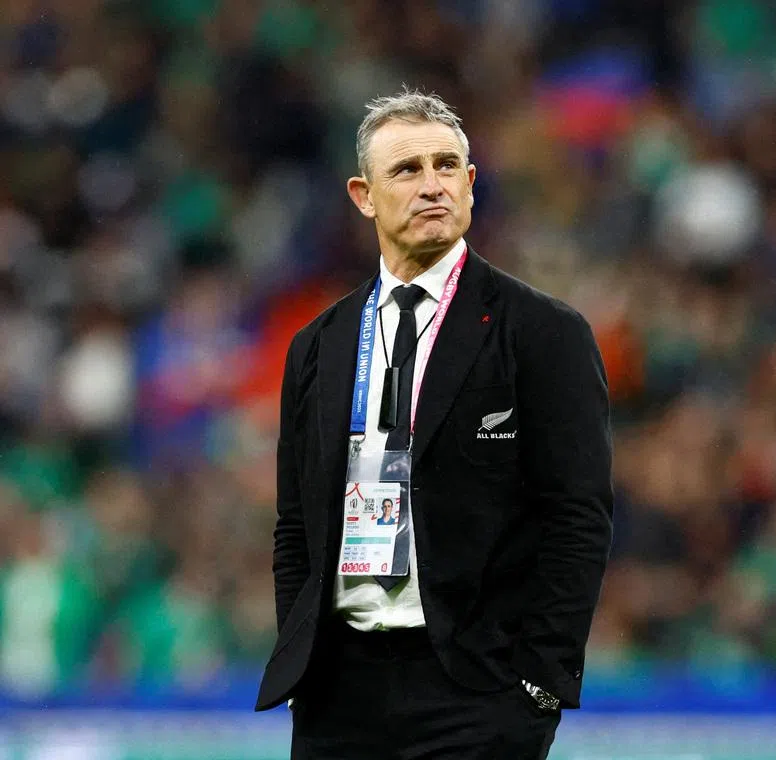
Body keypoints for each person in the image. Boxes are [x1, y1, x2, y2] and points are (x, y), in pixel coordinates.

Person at [255, 89, 613, 760]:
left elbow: (579, 516)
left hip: (480, 691)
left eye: (447, 166)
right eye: (407, 170)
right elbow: (296, 524)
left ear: (470, 183)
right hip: (340, 695)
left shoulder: (542, 332)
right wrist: (303, 663)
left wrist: (540, 682)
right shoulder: (318, 345)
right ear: (364, 196)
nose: (432, 186)